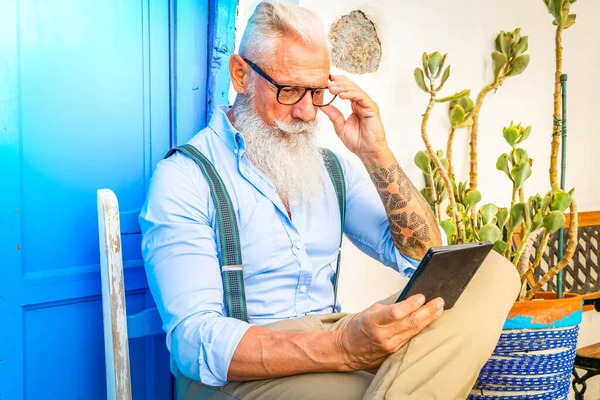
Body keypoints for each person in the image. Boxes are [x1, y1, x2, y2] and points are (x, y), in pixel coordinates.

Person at [139, 2, 520, 399]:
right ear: (240, 74)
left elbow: (425, 257)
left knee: (489, 272)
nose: (307, 112)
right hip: (239, 369)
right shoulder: (185, 177)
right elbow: (194, 341)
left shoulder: (332, 168)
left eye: (317, 91)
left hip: (332, 331)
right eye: (289, 90)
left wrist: (376, 153)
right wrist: (342, 349)